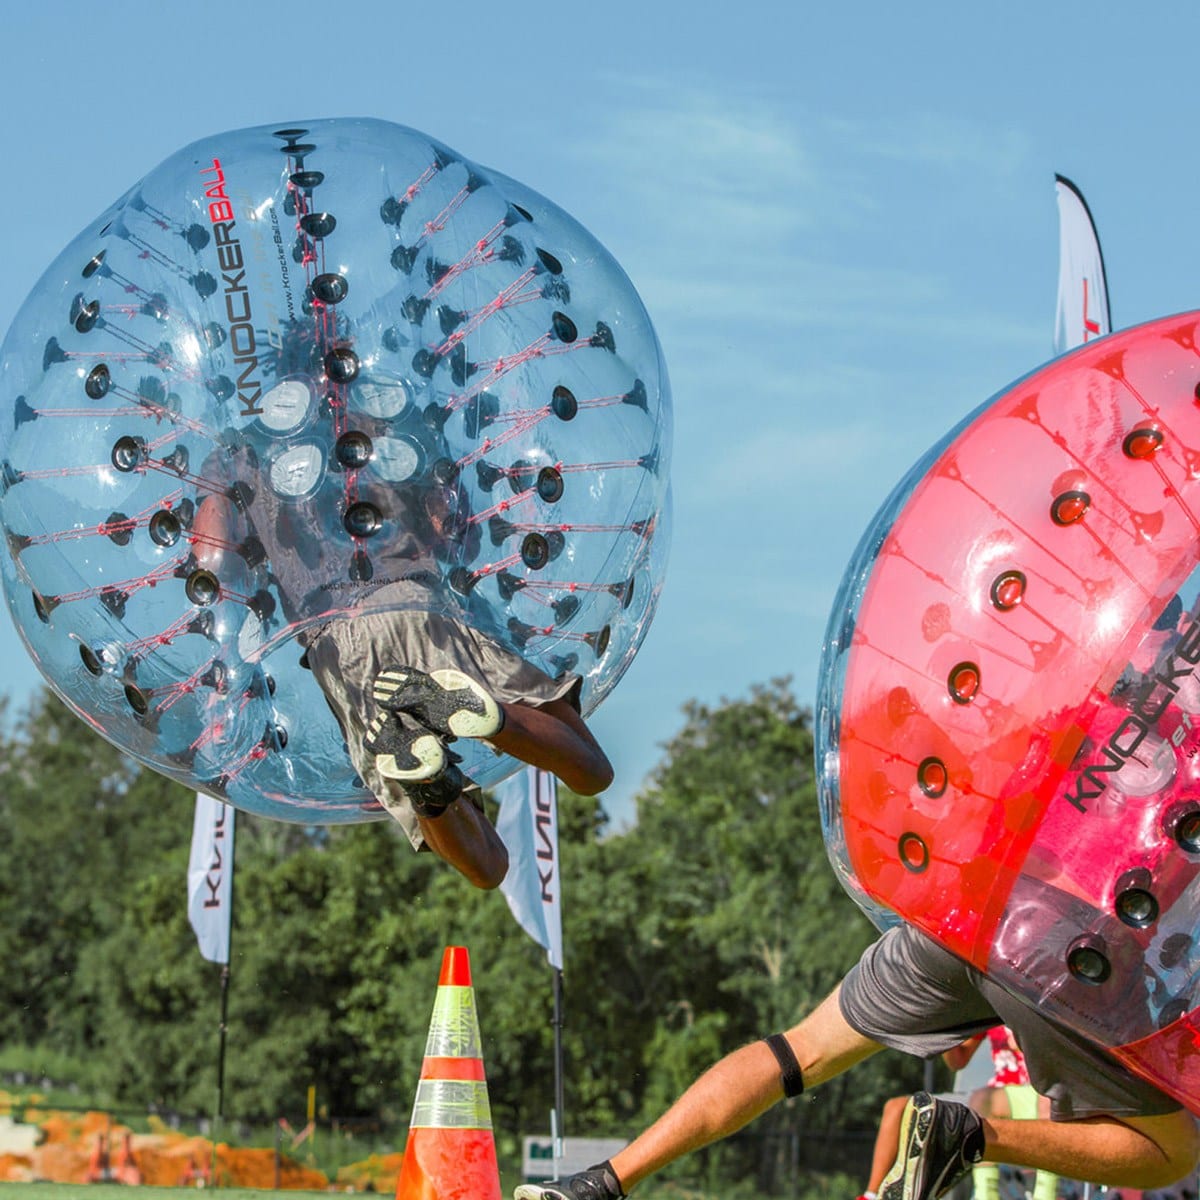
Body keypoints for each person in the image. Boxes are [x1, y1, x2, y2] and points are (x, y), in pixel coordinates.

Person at [192, 426, 613, 890]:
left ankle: (427, 788)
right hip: (418, 605)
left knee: (488, 869)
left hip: (337, 650)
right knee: (593, 771)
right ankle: (490, 720)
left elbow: (213, 563)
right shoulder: (390, 412)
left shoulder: (235, 455)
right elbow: (453, 531)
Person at [513, 923, 1200, 1200]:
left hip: (960, 910)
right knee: (1166, 1152)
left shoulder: (1077, 705)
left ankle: (601, 1184)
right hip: (1079, 945)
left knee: (796, 1050)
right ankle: (973, 1137)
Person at [857, 1028, 1054, 1200]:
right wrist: (942, 1033)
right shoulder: (990, 1005)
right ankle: (872, 1196)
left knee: (983, 1106)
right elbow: (957, 1061)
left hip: (1037, 1092)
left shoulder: (1042, 997)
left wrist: (1025, 1040)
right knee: (899, 1108)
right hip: (994, 1093)